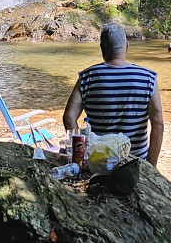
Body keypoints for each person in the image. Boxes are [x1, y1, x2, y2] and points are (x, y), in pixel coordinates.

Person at [63, 23, 164, 166]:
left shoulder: (87, 77)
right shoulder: (148, 78)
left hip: (99, 163)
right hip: (136, 163)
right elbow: (158, 123)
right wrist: (151, 166)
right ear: (127, 47)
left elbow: (69, 117)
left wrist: (82, 153)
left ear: (102, 49)